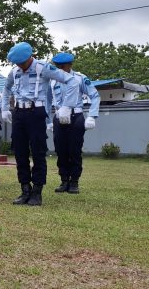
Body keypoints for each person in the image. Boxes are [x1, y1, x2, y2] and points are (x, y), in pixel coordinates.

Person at [1, 42, 80, 206]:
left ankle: (37, 191)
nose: (20, 66)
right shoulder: (14, 71)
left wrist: (67, 106)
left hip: (36, 113)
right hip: (19, 114)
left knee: (38, 152)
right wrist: (4, 108)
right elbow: (6, 89)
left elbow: (71, 81)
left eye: (22, 63)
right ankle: (25, 189)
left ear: (30, 57)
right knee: (20, 153)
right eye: (17, 63)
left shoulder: (43, 68)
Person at [50, 52, 100, 194]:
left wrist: (92, 116)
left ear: (70, 65)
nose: (59, 69)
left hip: (76, 116)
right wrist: (49, 121)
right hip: (59, 117)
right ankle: (64, 180)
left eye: (62, 66)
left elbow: (95, 96)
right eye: (57, 66)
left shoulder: (79, 78)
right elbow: (48, 100)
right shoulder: (53, 80)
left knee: (74, 151)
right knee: (61, 150)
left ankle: (74, 182)